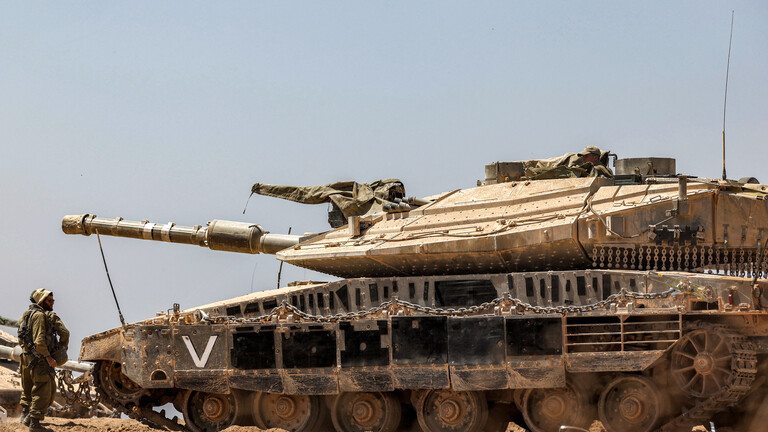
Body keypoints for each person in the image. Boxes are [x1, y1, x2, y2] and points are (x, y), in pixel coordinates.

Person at [17, 289, 69, 432]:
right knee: (44, 389)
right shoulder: (40, 315)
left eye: (53, 300)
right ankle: (34, 423)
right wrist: (49, 356)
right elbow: (40, 341)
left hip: (27, 356)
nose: (52, 303)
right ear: (41, 301)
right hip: (40, 359)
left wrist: (28, 351)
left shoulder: (26, 315)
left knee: (30, 387)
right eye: (49, 300)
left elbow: (21, 336)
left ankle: (26, 417)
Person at [521, 145, 613, 179]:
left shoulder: (600, 169)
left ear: (595, 158)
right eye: (583, 156)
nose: (583, 158)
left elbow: (589, 172)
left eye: (586, 156)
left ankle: (535, 173)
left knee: (563, 171)